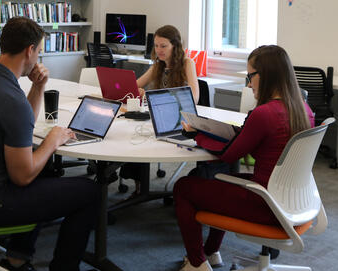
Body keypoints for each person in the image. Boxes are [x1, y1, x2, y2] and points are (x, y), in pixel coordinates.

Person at [0, 17, 100, 271]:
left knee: (46, 169)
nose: (39, 58)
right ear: (30, 51)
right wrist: (51, 141)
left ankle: (17, 258)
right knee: (88, 192)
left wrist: (38, 87)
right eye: (39, 52)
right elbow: (23, 177)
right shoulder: (11, 99)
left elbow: (20, 125)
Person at [173, 45, 315, 271]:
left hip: (267, 206)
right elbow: (265, 145)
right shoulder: (303, 109)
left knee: (183, 187)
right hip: (293, 200)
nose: (248, 84)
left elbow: (229, 154)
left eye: (251, 76)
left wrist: (197, 133)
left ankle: (196, 263)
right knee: (221, 181)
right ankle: (210, 253)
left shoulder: (264, 114)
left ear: (265, 75)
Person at [119, 25, 199, 196]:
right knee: (133, 134)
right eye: (156, 45)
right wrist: (137, 91)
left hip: (180, 119)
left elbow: (195, 97)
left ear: (175, 46)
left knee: (139, 134)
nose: (159, 50)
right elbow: (135, 86)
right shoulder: (158, 65)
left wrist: (156, 96)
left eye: (163, 46)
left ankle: (141, 185)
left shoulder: (187, 63)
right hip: (159, 115)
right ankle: (139, 182)